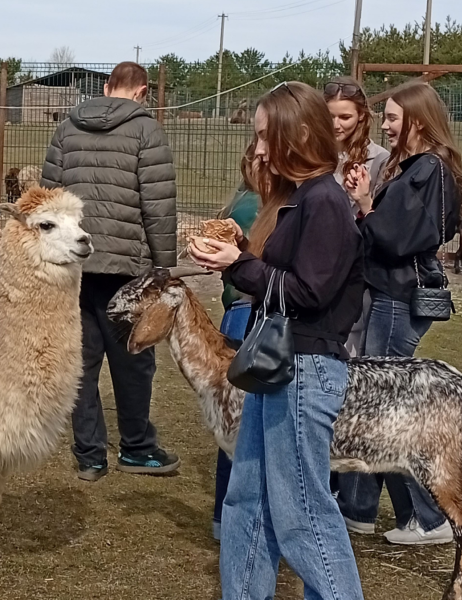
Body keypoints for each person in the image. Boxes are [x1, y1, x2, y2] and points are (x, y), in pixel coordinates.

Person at [190, 81, 365, 600]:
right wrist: (242, 249)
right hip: (280, 367)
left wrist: (240, 265)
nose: (260, 150)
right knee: (247, 498)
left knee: (302, 512)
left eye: (267, 137)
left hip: (306, 369)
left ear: (301, 133)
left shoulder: (326, 202)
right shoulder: (301, 198)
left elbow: (309, 293)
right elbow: (289, 273)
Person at [335, 82, 462, 546]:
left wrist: (368, 203)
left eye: (393, 118)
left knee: (390, 411)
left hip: (397, 296)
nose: (386, 126)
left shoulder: (428, 170)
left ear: (418, 119)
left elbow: (398, 238)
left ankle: (430, 518)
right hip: (388, 294)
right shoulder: (418, 168)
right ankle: (361, 508)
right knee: (380, 406)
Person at [40, 61, 179, 481]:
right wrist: (163, 265)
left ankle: (90, 454)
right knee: (134, 359)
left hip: (75, 263)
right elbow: (158, 204)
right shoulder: (146, 130)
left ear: (106, 87)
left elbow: (49, 195)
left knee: (81, 361)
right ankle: (136, 447)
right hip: (126, 265)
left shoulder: (67, 128)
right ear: (141, 93)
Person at [211, 143, 261, 542]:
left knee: (233, 418)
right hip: (255, 316)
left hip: (237, 312)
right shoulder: (261, 206)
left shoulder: (240, 201)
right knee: (250, 420)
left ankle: (224, 515)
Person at [324, 76, 390, 358]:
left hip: (355, 265)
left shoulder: (380, 159)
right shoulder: (313, 154)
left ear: (361, 116)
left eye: (345, 117)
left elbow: (381, 217)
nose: (336, 124)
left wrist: (362, 198)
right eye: (330, 116)